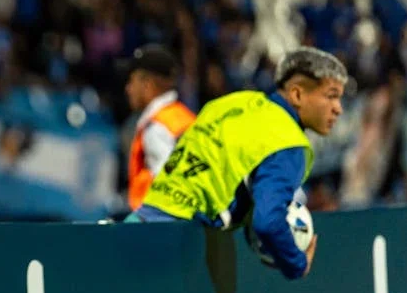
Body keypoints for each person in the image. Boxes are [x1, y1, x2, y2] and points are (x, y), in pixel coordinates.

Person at [131, 47, 349, 280]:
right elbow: (268, 222)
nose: (338, 108)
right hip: (179, 243)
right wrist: (297, 263)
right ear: (297, 95)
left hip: (141, 220)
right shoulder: (287, 141)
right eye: (331, 96)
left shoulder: (233, 102)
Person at [124, 46, 195, 211]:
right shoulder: (185, 117)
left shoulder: (156, 127)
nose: (128, 89)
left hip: (160, 219)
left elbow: (169, 185)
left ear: (147, 84)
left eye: (132, 81)